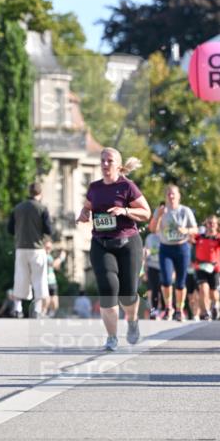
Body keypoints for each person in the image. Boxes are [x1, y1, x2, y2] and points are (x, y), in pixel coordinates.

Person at [77, 148, 151, 350]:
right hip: (101, 243)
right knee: (108, 289)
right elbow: (88, 207)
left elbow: (146, 212)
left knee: (128, 294)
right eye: (102, 161)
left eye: (109, 161)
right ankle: (111, 338)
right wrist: (83, 214)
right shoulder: (94, 187)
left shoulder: (127, 187)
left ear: (118, 165)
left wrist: (125, 210)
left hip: (128, 243)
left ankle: (133, 320)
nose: (105, 164)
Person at [148, 184, 198, 321]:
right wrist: (157, 216)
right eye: (168, 194)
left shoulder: (185, 211)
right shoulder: (161, 211)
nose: (171, 196)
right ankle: (168, 308)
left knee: (181, 283)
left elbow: (195, 229)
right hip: (165, 248)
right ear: (165, 196)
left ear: (179, 196)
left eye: (173, 194)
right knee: (166, 280)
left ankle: (179, 310)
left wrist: (186, 231)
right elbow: (152, 229)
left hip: (182, 248)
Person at [7, 181, 52, 319]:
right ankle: (37, 310)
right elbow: (49, 229)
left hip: (20, 247)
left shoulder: (18, 208)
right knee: (39, 279)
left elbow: (9, 229)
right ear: (40, 193)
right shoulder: (42, 208)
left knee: (20, 277)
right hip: (37, 248)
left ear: (29, 192)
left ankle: (18, 309)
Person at [193, 215, 220, 321]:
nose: (211, 225)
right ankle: (206, 312)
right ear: (206, 224)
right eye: (209, 223)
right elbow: (189, 239)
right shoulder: (199, 237)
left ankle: (215, 305)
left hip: (214, 268)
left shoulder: (219, 237)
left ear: (217, 225)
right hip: (200, 266)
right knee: (203, 289)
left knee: (213, 292)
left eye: (213, 223)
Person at [142, 227, 163, 319]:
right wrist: (143, 271)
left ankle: (164, 311)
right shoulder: (149, 237)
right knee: (151, 291)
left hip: (163, 267)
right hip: (151, 266)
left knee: (161, 290)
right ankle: (153, 312)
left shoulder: (164, 236)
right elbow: (144, 255)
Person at [44, 239, 66, 318]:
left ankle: (51, 315)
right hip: (44, 281)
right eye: (47, 247)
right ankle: (43, 315)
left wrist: (59, 261)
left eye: (50, 248)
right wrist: (61, 258)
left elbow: (56, 267)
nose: (48, 249)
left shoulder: (49, 256)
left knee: (55, 301)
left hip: (52, 281)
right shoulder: (43, 255)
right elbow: (53, 264)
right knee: (46, 300)